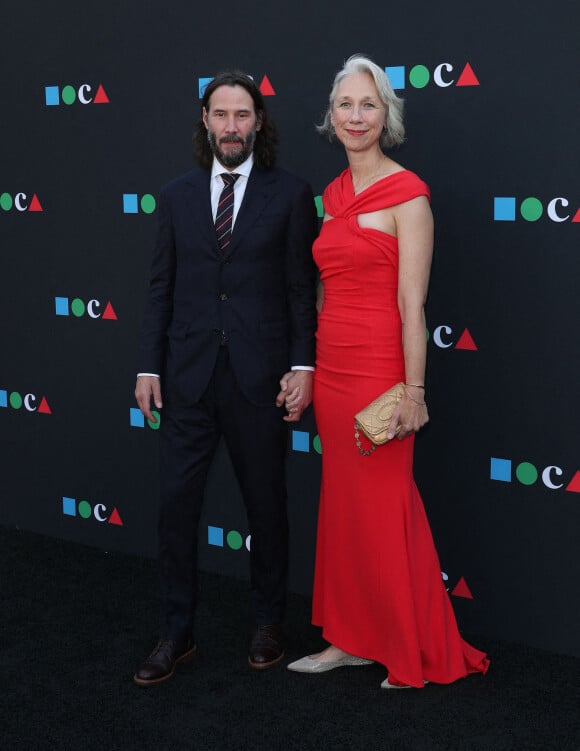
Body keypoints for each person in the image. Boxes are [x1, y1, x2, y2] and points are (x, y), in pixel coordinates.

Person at [287, 55, 489, 688]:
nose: (355, 116)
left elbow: (413, 305)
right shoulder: (332, 194)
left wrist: (414, 389)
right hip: (335, 369)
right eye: (345, 104)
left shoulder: (409, 195)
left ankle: (408, 648)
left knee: (385, 507)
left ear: (387, 117)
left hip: (381, 371)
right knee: (344, 511)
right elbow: (324, 290)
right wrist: (312, 368)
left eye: (368, 105)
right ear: (331, 116)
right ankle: (349, 639)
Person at [133, 70, 318, 686]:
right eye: (221, 114)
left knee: (266, 506)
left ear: (258, 122)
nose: (232, 126)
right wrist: (147, 365)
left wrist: (301, 366)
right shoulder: (177, 194)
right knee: (175, 510)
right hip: (186, 378)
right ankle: (175, 632)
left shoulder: (290, 194)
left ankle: (269, 622)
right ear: (205, 121)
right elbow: (161, 287)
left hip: (259, 377)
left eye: (243, 115)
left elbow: (299, 291)